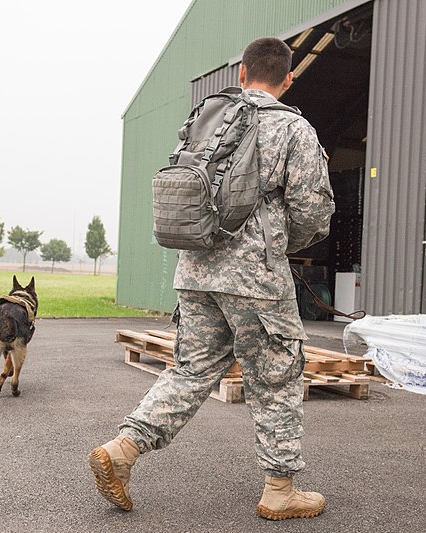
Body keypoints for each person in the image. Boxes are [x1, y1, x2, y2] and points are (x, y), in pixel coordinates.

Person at [88, 37, 335, 521]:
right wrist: (282, 244)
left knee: (190, 370)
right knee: (276, 378)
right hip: (257, 280)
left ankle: (122, 449)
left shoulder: (209, 120)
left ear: (241, 74)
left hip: (195, 269)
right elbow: (313, 210)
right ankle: (280, 490)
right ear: (288, 79)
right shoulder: (292, 128)